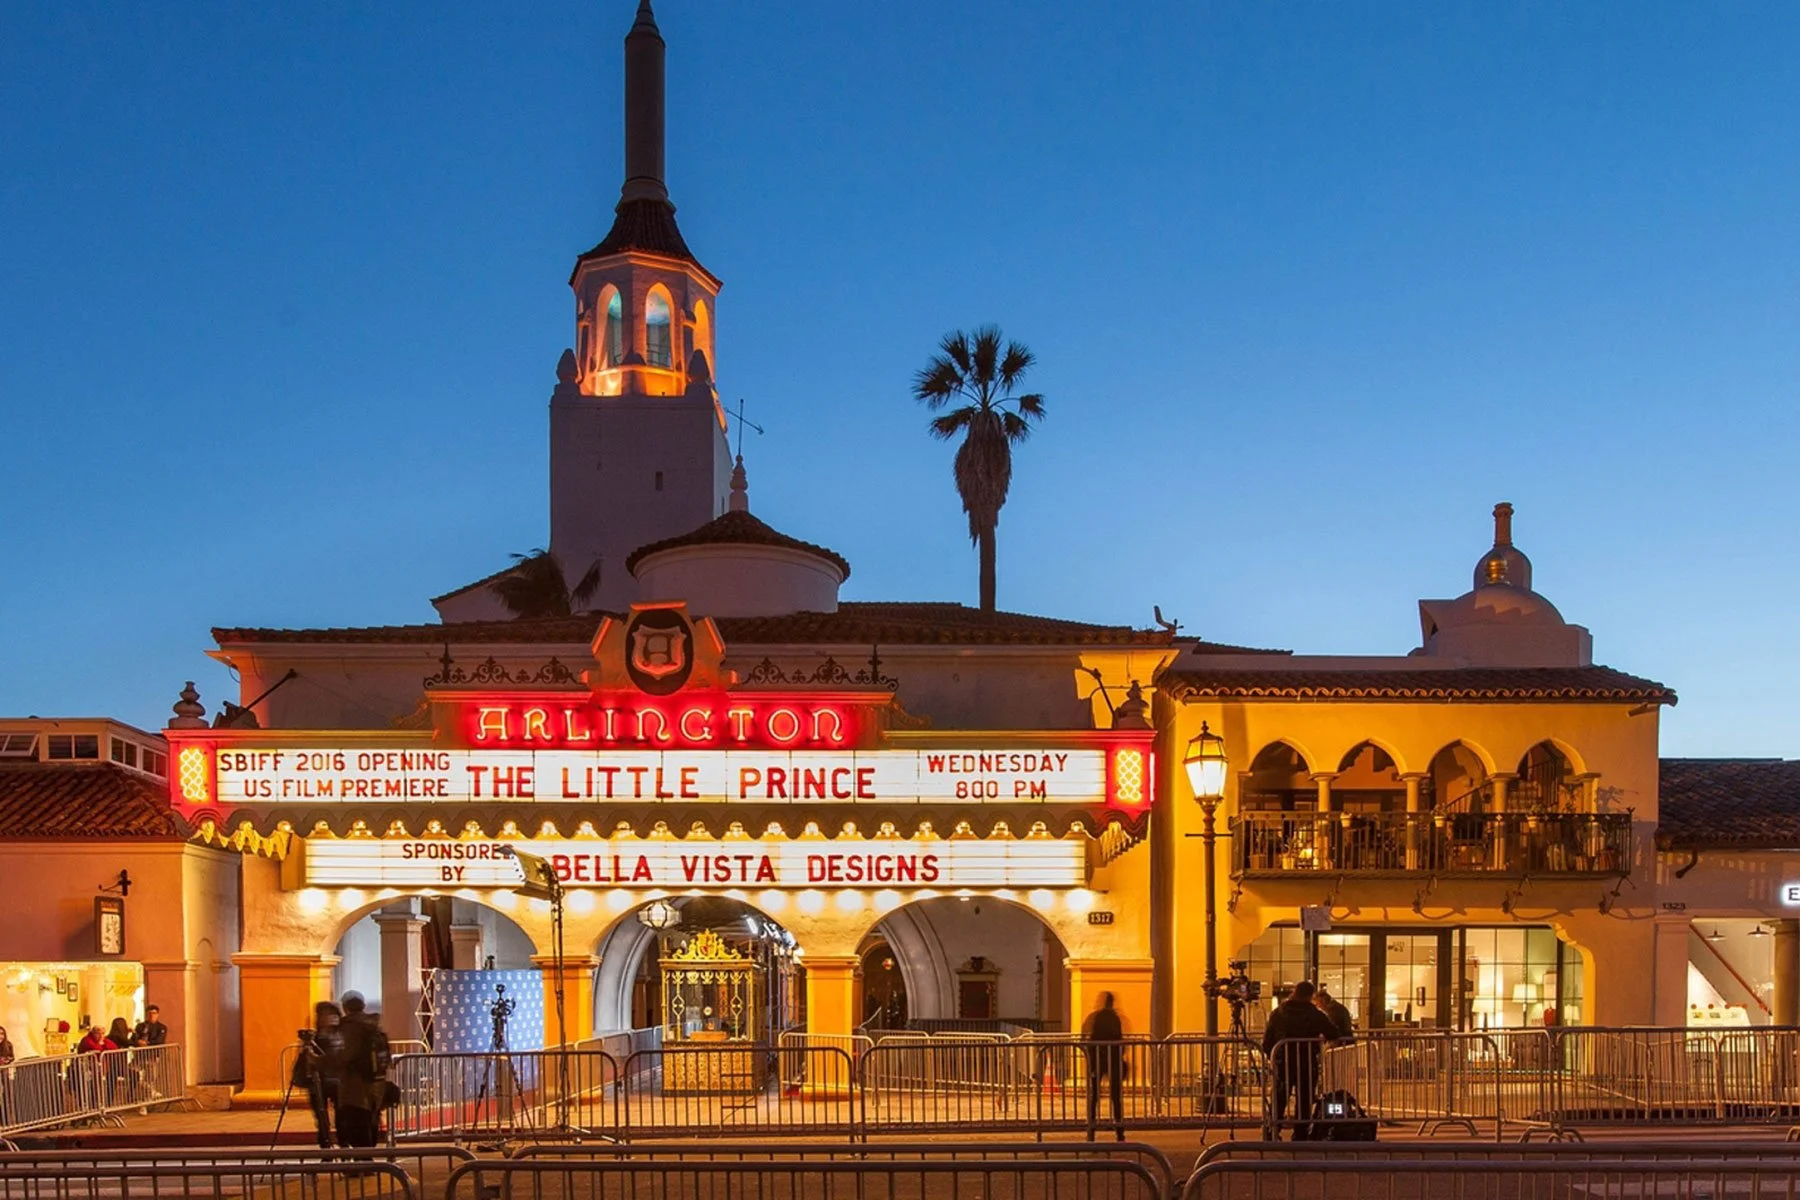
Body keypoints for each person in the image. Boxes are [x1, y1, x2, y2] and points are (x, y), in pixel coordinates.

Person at [1261, 981, 1340, 1140]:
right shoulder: (1315, 1014)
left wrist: (1274, 1056)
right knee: (1304, 1097)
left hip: (1283, 1060)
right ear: (1310, 995)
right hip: (1306, 1060)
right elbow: (1333, 1032)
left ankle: (1272, 1129)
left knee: (1279, 1096)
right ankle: (1301, 1132)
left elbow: (1267, 1041)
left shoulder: (1278, 1013)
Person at [331, 992, 391, 1147]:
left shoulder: (350, 1028)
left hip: (354, 1085)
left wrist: (319, 1060)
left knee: (356, 1123)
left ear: (345, 1008)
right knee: (370, 1118)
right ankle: (367, 1158)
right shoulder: (373, 1025)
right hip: (375, 1082)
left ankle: (362, 1161)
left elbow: (345, 1056)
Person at [296, 1001, 343, 1148]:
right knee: (321, 1118)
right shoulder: (314, 1038)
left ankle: (344, 1147)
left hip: (337, 1081)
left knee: (342, 1117)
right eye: (321, 1015)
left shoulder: (340, 1037)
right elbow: (306, 1061)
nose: (324, 1018)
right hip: (317, 1083)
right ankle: (325, 1147)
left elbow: (335, 1059)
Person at [1082, 991, 1126, 1142]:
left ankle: (1091, 1132)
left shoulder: (1097, 1017)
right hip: (1113, 1060)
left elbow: (1090, 1036)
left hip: (1098, 1060)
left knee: (1094, 1096)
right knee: (1116, 1097)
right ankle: (1120, 1132)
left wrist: (1091, 1057)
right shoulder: (1115, 1018)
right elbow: (1119, 1038)